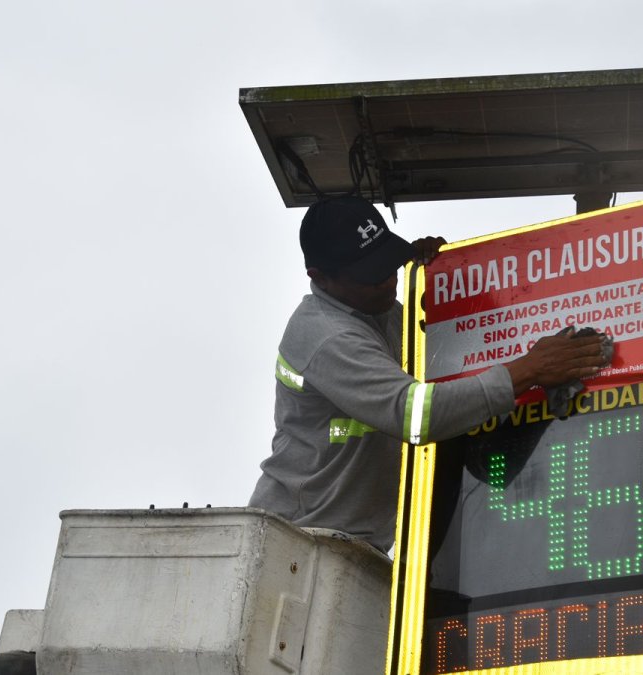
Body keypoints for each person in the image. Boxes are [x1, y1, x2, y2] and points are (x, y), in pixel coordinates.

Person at [248, 196, 609, 552]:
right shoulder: (327, 335)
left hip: (351, 542)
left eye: (389, 263)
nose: (389, 281)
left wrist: (443, 289)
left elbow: (455, 369)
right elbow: (417, 415)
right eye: (371, 274)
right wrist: (531, 368)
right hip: (293, 541)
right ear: (321, 279)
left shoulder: (381, 314)